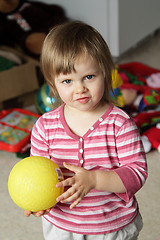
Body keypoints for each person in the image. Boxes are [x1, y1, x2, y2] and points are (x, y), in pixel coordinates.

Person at [24, 21, 148, 240]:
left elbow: (136, 174)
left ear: (106, 73)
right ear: (53, 84)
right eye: (67, 81)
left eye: (89, 77)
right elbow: (40, 174)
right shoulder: (44, 126)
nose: (79, 88)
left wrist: (94, 180)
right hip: (63, 226)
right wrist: (38, 200)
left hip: (111, 226)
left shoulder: (120, 123)